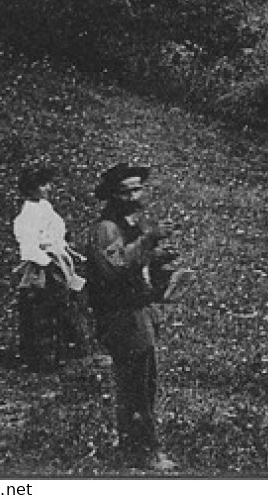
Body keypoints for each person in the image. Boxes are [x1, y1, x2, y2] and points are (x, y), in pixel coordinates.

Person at [85, 162, 178, 472]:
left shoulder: (129, 222)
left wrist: (156, 257)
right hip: (119, 313)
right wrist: (149, 240)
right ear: (113, 194)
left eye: (139, 188)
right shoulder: (107, 227)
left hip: (135, 308)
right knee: (136, 380)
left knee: (141, 378)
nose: (136, 195)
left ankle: (133, 445)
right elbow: (116, 267)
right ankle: (144, 451)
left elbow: (134, 260)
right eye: (128, 191)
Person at [11, 165, 90, 371]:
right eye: (43, 185)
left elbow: (56, 234)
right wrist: (49, 266)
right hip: (42, 265)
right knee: (42, 307)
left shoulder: (45, 206)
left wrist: (69, 253)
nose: (48, 188)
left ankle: (64, 351)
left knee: (65, 303)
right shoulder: (27, 214)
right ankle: (41, 357)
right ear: (30, 189)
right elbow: (28, 247)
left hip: (57, 259)